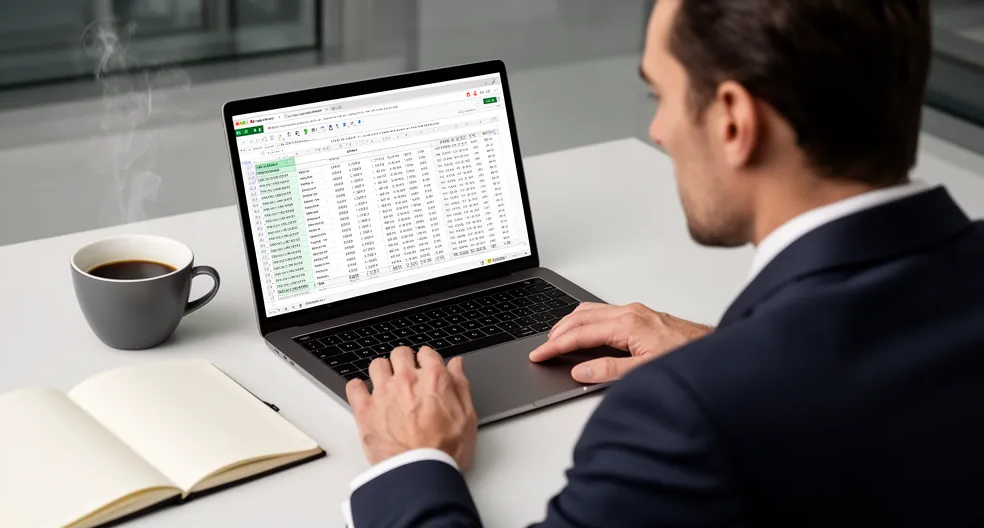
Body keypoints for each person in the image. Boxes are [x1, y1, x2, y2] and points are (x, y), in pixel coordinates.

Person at [343, 0, 984, 525]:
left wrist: (412, 461)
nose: (656, 130)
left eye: (661, 95)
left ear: (733, 120)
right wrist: (720, 347)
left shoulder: (683, 416)